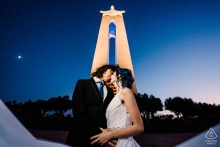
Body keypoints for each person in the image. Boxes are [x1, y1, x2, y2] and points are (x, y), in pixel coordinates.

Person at [65, 64, 118, 147]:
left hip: (100, 139)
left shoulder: (110, 91)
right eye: (111, 72)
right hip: (81, 134)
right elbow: (79, 111)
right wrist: (97, 131)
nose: (111, 76)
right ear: (104, 71)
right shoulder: (83, 83)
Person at [90, 68, 144, 147]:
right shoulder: (115, 96)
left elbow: (139, 127)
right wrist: (106, 131)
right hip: (113, 142)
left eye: (113, 73)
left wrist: (111, 135)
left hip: (123, 142)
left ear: (119, 76)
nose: (110, 75)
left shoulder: (126, 92)